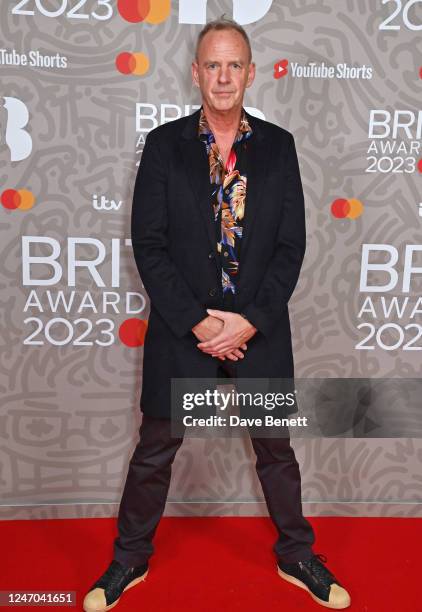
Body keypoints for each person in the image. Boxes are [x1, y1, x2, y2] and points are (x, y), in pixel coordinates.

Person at [83, 16, 351, 612]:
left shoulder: (279, 146)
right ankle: (128, 560)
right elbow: (147, 243)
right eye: (213, 64)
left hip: (259, 327)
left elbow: (291, 247)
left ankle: (296, 555)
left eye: (234, 65)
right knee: (155, 448)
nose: (223, 76)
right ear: (196, 72)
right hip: (186, 331)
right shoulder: (164, 145)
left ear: (250, 74)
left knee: (275, 450)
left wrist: (248, 321)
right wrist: (200, 323)